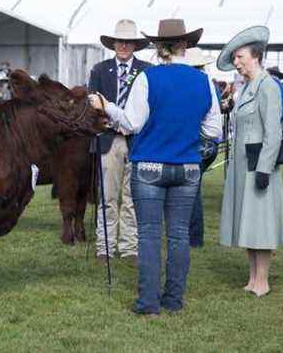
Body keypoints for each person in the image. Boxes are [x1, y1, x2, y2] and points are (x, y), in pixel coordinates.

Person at [89, 19, 221, 316]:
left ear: (159, 47)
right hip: (187, 167)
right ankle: (173, 300)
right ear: (185, 45)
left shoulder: (148, 78)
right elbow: (213, 130)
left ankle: (148, 302)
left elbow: (132, 122)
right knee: (178, 235)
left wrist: (107, 107)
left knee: (149, 234)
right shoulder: (204, 82)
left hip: (149, 165)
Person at [217, 26, 283, 298]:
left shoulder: (268, 86)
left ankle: (263, 280)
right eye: (234, 58)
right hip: (242, 166)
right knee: (248, 222)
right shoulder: (247, 88)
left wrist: (264, 169)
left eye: (240, 57)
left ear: (255, 57)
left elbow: (274, 132)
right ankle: (252, 277)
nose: (236, 63)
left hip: (258, 165)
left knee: (261, 222)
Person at [88, 19, 152, 264]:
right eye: (120, 41)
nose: (124, 46)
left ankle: (129, 246)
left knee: (132, 197)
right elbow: (92, 102)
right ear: (113, 44)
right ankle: (105, 246)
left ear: (134, 45)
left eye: (128, 42)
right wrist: (108, 122)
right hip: (109, 139)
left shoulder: (146, 70)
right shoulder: (100, 70)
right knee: (107, 197)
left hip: (137, 141)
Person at [182, 48, 221, 248]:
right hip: (210, 144)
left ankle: (193, 236)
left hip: (198, 142)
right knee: (193, 188)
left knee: (190, 190)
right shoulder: (210, 84)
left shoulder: (193, 85)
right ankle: (193, 236)